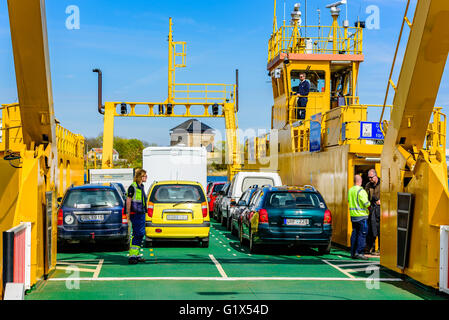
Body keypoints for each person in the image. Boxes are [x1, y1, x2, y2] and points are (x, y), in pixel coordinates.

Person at [126, 169, 148, 264]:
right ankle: (132, 256)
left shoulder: (141, 187)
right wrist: (127, 214)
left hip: (141, 213)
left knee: (141, 234)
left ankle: (136, 254)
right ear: (140, 177)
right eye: (144, 176)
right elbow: (128, 201)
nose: (146, 177)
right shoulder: (133, 187)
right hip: (135, 214)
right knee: (136, 234)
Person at [348, 174, 371, 260]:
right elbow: (366, 204)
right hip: (362, 217)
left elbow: (349, 201)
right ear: (360, 181)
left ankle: (353, 252)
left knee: (354, 233)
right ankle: (359, 252)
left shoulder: (350, 190)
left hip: (353, 216)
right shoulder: (361, 191)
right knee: (362, 234)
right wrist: (370, 203)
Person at [365, 169, 381, 256]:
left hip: (380, 210)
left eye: (371, 177)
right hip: (371, 209)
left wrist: (382, 201)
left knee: (380, 229)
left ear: (376, 176)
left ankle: (380, 249)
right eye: (369, 177)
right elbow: (366, 197)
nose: (370, 179)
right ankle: (369, 247)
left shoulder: (383, 184)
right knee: (370, 229)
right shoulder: (368, 185)